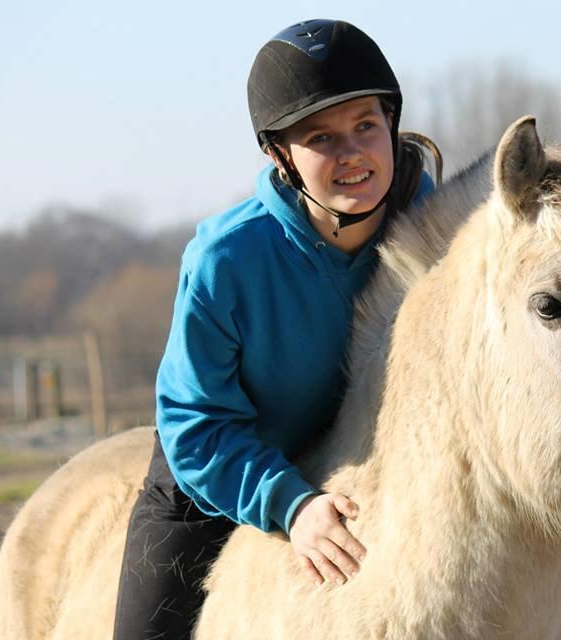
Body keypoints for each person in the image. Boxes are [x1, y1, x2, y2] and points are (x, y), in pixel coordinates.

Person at [112, 19, 440, 638]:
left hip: (375, 467)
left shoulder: (438, 228)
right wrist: (291, 503)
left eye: (365, 126)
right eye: (321, 138)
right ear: (279, 155)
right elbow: (195, 423)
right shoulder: (225, 259)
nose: (352, 153)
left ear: (391, 123)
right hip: (221, 478)